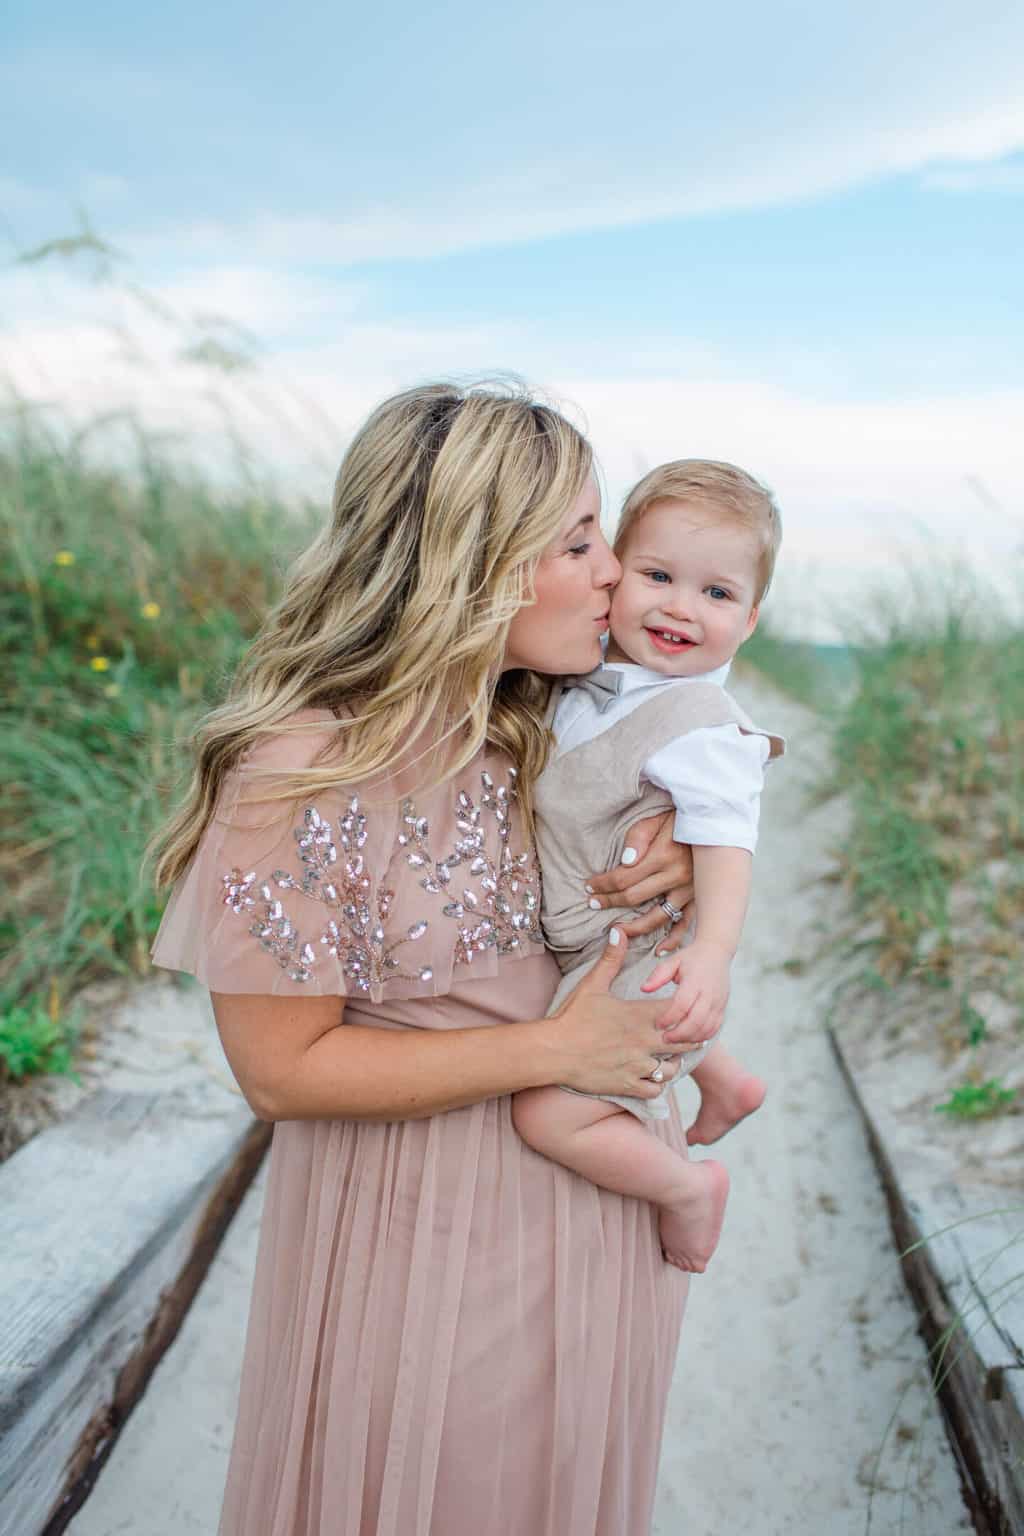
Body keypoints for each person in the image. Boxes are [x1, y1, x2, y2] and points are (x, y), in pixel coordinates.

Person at [147, 382, 706, 1536]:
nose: (614, 569)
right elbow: (282, 1072)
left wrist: (682, 846)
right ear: (472, 559)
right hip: (416, 1232)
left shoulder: (537, 728)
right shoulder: (298, 769)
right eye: (578, 539)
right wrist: (557, 1046)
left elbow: (717, 731)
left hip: (593, 1208)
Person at [512, 460, 785, 1275]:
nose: (680, 607)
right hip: (594, 936)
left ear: (749, 620)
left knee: (548, 1115)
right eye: (658, 575)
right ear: (614, 575)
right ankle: (725, 1080)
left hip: (632, 946)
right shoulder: (591, 680)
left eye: (717, 594)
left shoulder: (701, 724)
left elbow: (727, 840)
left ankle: (686, 1189)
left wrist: (712, 954)